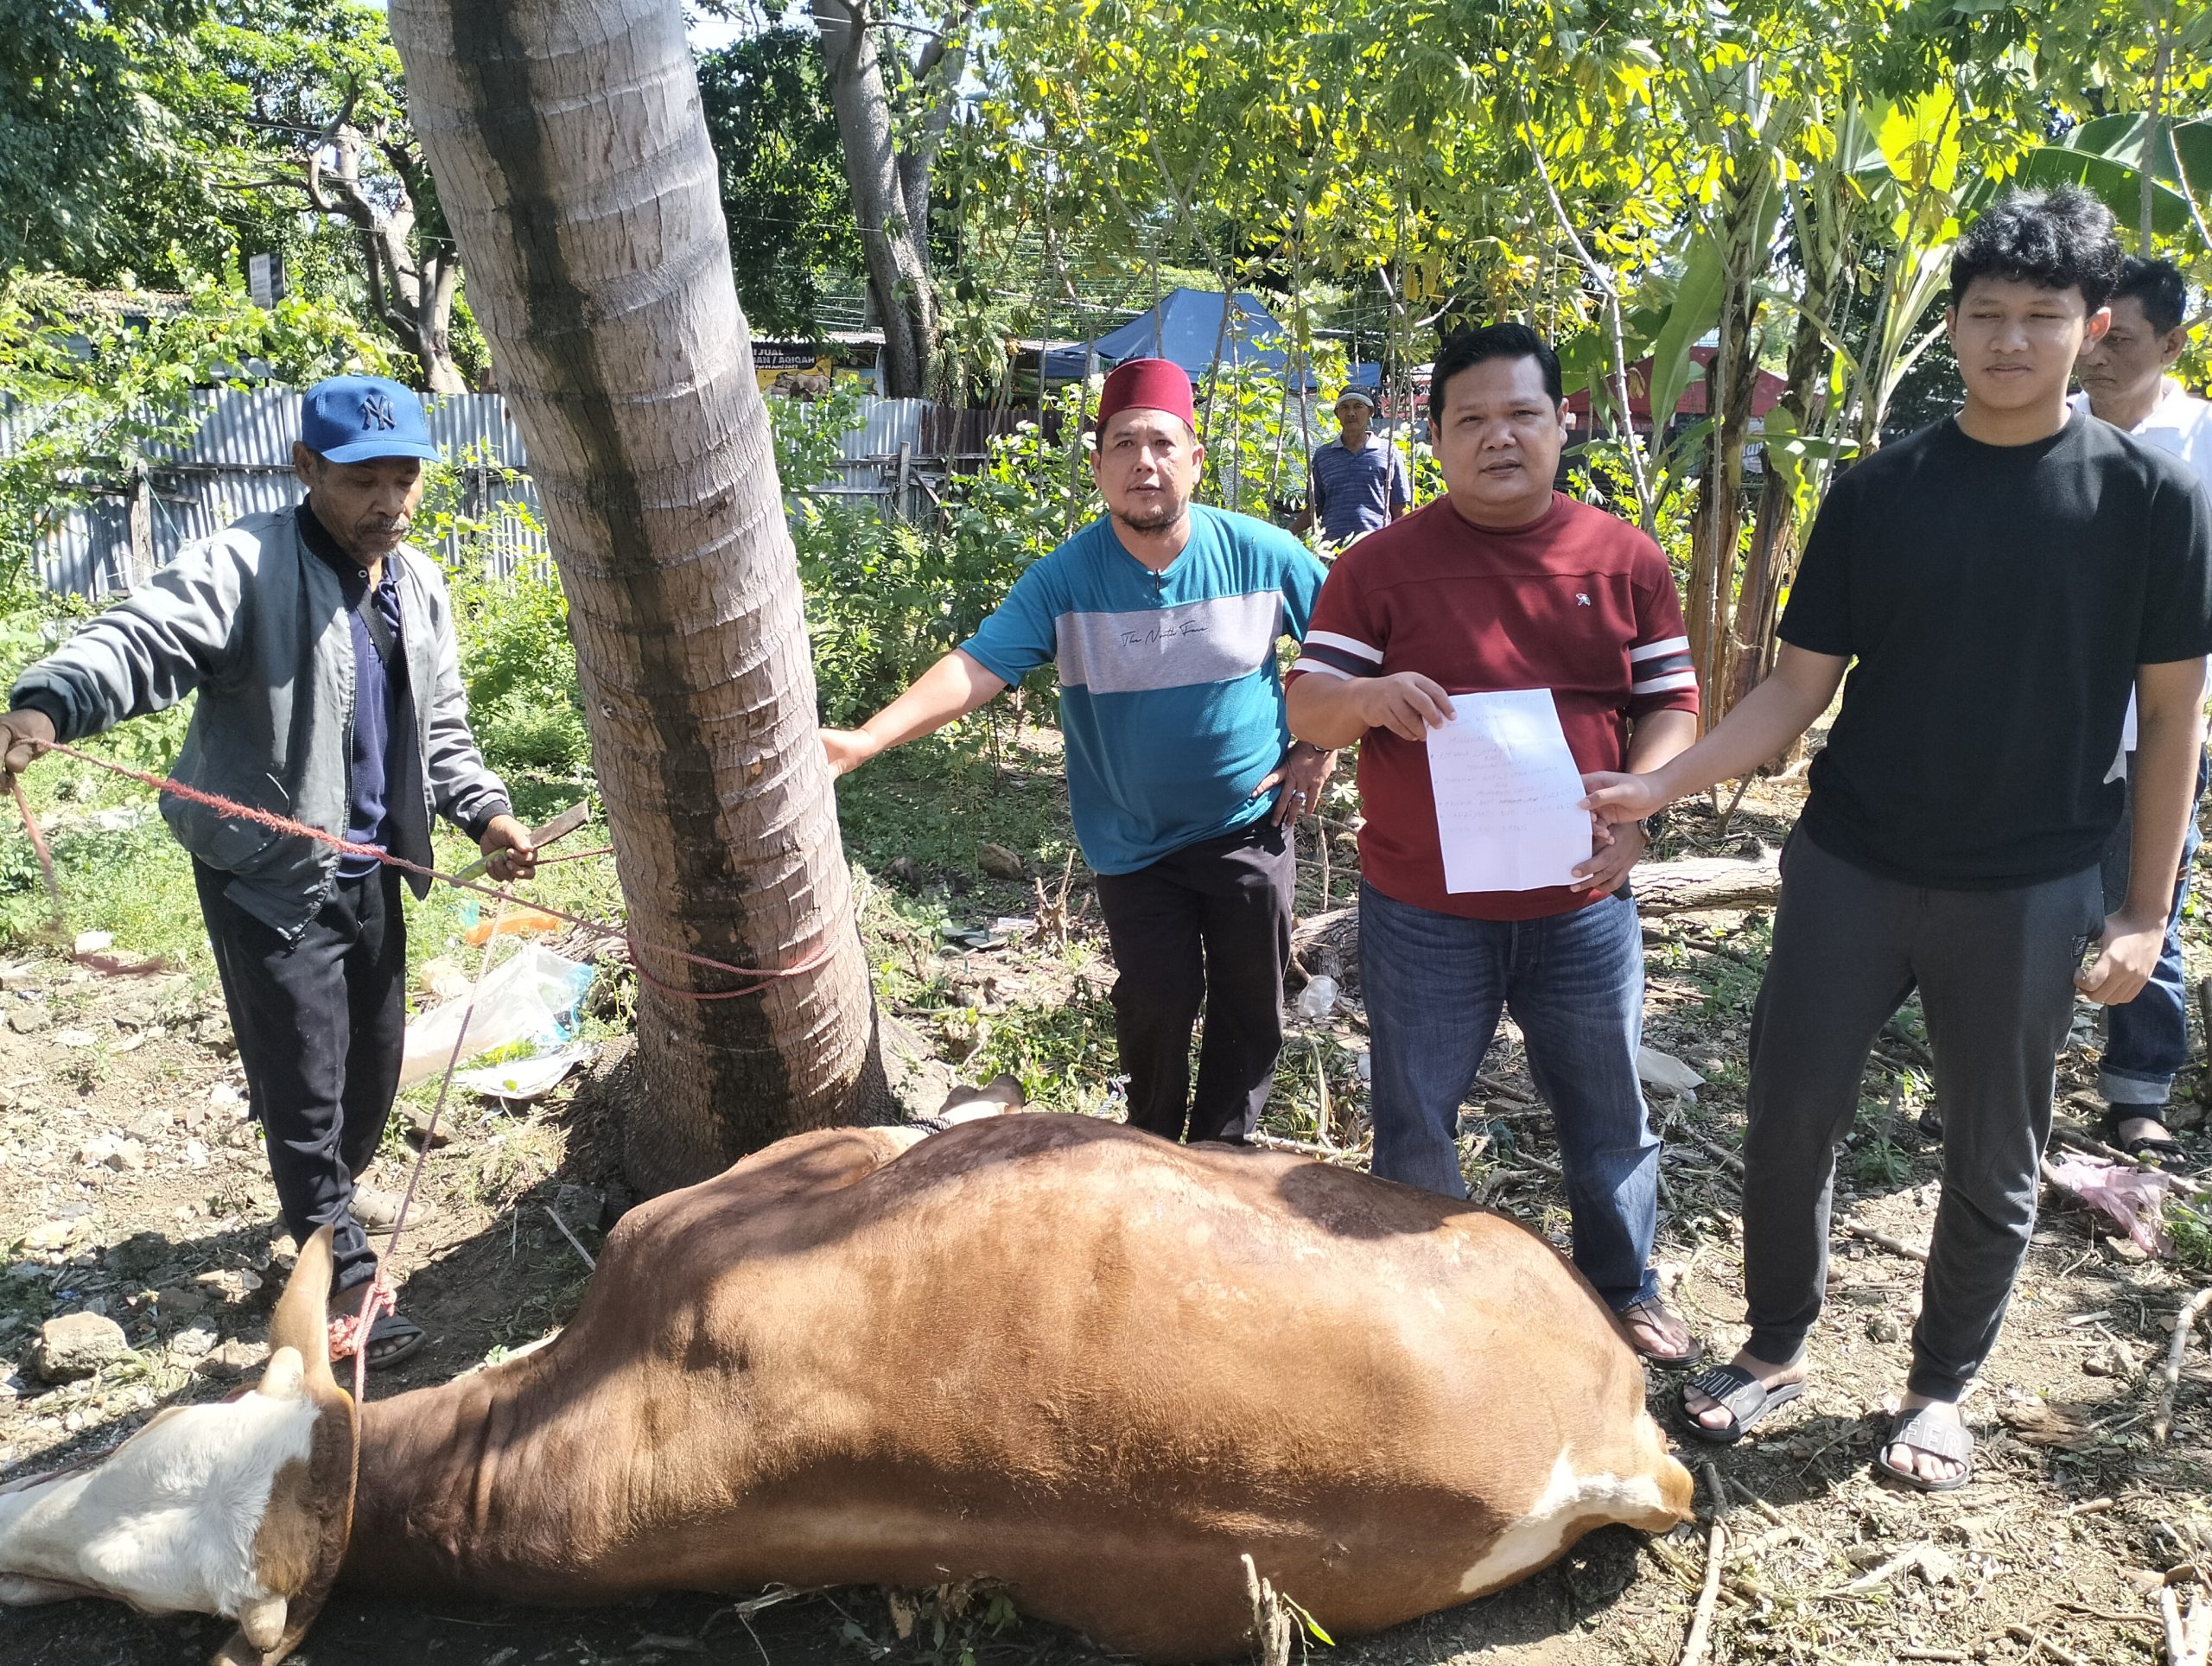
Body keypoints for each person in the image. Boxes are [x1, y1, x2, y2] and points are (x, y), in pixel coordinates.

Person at [1583, 188, 2212, 1491]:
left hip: (2033, 886)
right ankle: (1772, 1349)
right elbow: (1792, 690)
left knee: (1997, 1147)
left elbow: (2172, 719)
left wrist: (2146, 912)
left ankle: (1939, 1388)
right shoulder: (1883, 492)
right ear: (1954, 331)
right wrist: (1666, 787)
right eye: (1986, 316)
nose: (2010, 342)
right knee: (1791, 1117)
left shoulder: (2149, 503)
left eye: (2042, 319)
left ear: (2092, 330)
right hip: (1853, 865)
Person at [0, 375, 537, 1370]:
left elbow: (444, 730)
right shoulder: (243, 563)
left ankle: (320, 1190)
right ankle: (340, 1267)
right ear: (305, 468)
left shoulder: (417, 586)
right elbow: (140, 636)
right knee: (302, 1082)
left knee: (368, 1073)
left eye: (404, 479)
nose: (388, 502)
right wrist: (49, 703)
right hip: (269, 873)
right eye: (362, 480)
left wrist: (488, 813)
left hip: (375, 867)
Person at [1283, 322, 1704, 1368]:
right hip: (1425, 910)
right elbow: (1309, 703)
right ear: (1433, 436)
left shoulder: (1624, 559)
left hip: (1579, 901)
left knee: (1607, 1109)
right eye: (1470, 419)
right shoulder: (1380, 566)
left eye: (1521, 413)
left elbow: (1672, 704)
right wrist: (1369, 695)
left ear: (1561, 422)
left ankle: (1624, 1285)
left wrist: (1641, 799)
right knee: (1417, 1114)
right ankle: (1429, 1299)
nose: (1498, 437)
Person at [822, 358, 1333, 1146]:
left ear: (1197, 460)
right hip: (1133, 843)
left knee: (1251, 1000)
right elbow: (977, 666)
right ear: (1097, 467)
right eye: (1123, 445)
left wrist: (1317, 744)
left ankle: (1224, 1155)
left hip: (1249, 825)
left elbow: (1350, 642)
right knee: (1157, 1001)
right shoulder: (1065, 579)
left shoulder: (1261, 554)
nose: (1144, 463)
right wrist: (864, 741)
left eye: (1163, 444)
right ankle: (1152, 1148)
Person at [2073, 256, 2212, 1169]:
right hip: (2050, 714)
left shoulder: (2200, 444)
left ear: (2170, 343)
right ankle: (2005, 1070)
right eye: (2091, 335)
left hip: (2162, 718)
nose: (2097, 356)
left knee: (2143, 903)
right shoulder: (2047, 426)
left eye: (2121, 340)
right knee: (2035, 901)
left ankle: (2138, 1091)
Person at [1292, 387, 1411, 548]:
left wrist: (1410, 546)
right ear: (1337, 414)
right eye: (1345, 408)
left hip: (1377, 547)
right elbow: (1315, 507)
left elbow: (1399, 509)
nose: (1351, 413)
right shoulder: (1323, 456)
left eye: (1357, 406)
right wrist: (1288, 533)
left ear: (1370, 411)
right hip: (1333, 549)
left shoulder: (1388, 452)